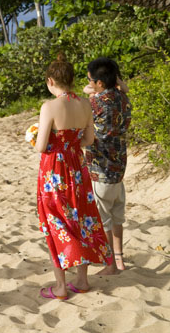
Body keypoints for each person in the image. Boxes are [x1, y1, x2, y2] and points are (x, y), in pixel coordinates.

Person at [36, 52, 113, 300]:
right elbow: (89, 140)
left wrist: (36, 137)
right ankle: (81, 280)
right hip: (77, 167)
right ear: (70, 79)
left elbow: (40, 146)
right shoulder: (85, 104)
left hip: (54, 169)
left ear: (50, 81)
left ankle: (60, 286)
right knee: (82, 218)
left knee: (56, 222)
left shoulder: (49, 106)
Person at [85, 57, 131, 274]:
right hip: (119, 168)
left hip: (100, 168)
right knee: (117, 215)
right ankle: (119, 259)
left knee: (103, 219)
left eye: (90, 80)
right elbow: (123, 87)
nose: (89, 83)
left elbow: (86, 134)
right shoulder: (123, 99)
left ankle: (110, 264)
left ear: (99, 83)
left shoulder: (95, 103)